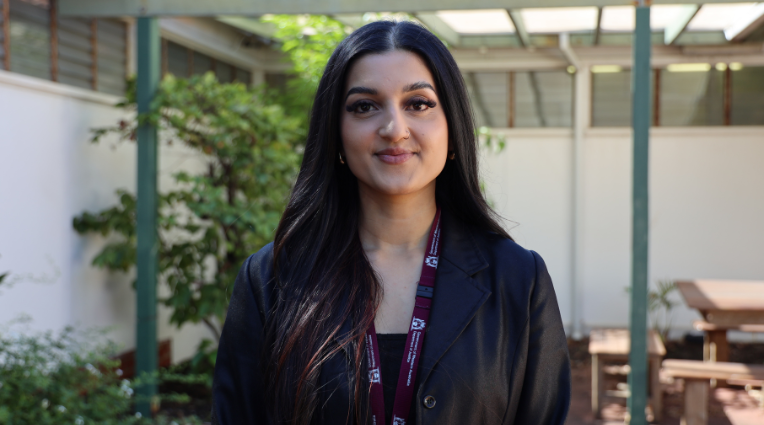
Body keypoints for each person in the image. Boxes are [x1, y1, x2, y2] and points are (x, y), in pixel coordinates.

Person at [212, 20, 571, 425]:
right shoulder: (270, 281)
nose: (394, 129)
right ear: (336, 135)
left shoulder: (519, 280)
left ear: (452, 131)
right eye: (364, 106)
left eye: (418, 103)